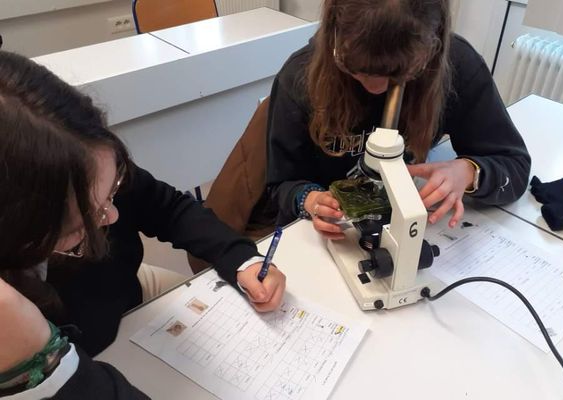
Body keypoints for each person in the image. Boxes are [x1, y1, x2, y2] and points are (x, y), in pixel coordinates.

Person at [0, 50, 286, 398]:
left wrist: (241, 259)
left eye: (113, 188)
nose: (113, 216)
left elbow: (167, 207)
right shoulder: (11, 311)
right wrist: (46, 365)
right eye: (82, 225)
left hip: (125, 294)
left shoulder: (84, 164)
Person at [266, 0, 531, 239]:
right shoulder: (299, 77)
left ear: (432, 46)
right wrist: (308, 199)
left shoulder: (456, 65)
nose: (376, 88)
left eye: (398, 74)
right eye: (357, 69)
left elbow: (514, 166)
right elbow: (280, 185)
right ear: (335, 34)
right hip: (329, 235)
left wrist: (469, 172)